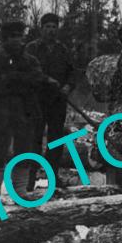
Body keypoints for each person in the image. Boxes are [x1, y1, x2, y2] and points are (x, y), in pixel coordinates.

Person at [0, 21, 54, 195]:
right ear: (4, 39)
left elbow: (38, 80)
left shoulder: (30, 60)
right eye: (12, 36)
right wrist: (23, 79)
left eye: (19, 36)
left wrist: (14, 78)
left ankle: (20, 191)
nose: (17, 40)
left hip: (25, 112)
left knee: (24, 151)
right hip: (0, 112)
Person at [25, 12, 75, 177]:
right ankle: (30, 178)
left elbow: (72, 72)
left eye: (54, 27)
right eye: (48, 27)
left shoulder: (63, 50)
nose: (51, 30)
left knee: (56, 141)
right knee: (34, 140)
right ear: (42, 28)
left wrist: (68, 86)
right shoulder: (32, 49)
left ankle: (52, 178)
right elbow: (28, 73)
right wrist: (46, 80)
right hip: (36, 101)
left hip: (57, 102)